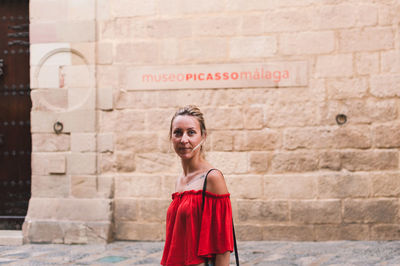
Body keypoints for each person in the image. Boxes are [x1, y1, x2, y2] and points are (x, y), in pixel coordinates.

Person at [161, 105, 234, 266]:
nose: (184, 139)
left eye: (191, 132)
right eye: (178, 132)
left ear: (203, 136)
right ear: (171, 137)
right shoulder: (180, 180)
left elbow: (223, 248)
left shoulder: (213, 178)